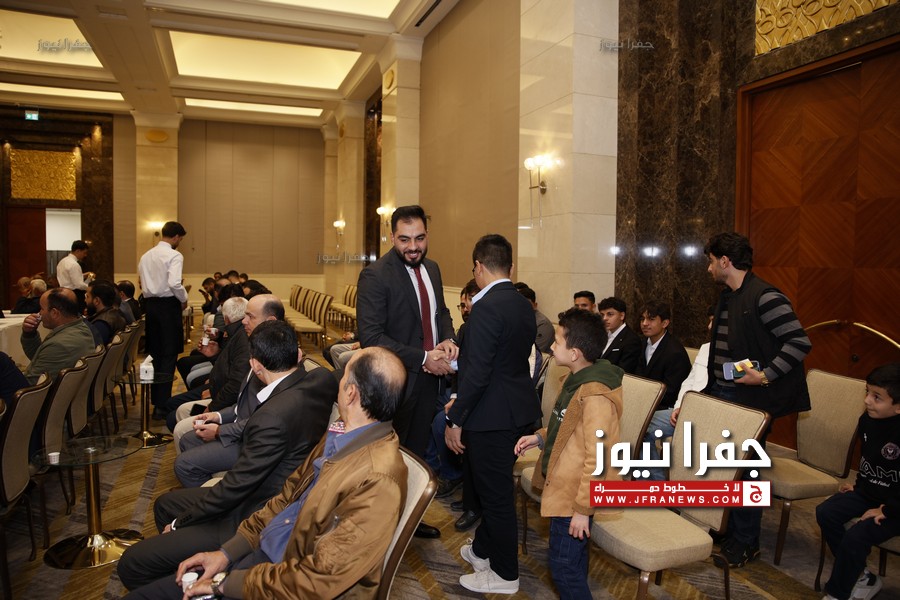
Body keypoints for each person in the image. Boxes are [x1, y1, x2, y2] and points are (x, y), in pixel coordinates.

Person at [123, 347, 408, 600]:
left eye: (343, 377)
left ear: (351, 393)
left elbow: (318, 579)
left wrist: (225, 583)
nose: (339, 383)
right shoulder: (341, 434)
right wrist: (227, 553)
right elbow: (286, 499)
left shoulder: (379, 479)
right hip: (262, 560)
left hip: (278, 580)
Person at [116, 320, 337, 591]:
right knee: (164, 504)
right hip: (272, 489)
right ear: (298, 354)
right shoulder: (322, 379)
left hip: (255, 510)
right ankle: (182, 572)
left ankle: (182, 584)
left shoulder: (271, 417)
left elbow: (236, 487)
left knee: (131, 563)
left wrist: (178, 524)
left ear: (255, 365)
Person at [704, 231, 812, 567]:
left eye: (711, 261)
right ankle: (728, 528)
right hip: (725, 393)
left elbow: (799, 343)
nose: (709, 268)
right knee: (726, 466)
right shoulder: (729, 296)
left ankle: (747, 541)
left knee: (747, 469)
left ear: (725, 261)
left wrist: (765, 375)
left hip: (754, 398)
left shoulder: (765, 297)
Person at [445, 234, 540, 594]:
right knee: (494, 490)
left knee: (496, 498)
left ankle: (505, 574)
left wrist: (456, 418)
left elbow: (480, 373)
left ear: (478, 267)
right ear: (510, 267)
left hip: (491, 416)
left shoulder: (485, 308)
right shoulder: (521, 304)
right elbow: (502, 361)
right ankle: (483, 550)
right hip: (517, 409)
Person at [356, 204, 457, 539]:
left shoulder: (434, 268)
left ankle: (407, 520)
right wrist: (425, 357)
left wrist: (448, 338)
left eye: (420, 238)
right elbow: (372, 337)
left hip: (429, 382)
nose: (413, 247)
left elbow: (441, 312)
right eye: (404, 239)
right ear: (391, 237)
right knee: (388, 459)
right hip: (394, 383)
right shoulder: (376, 275)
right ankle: (380, 528)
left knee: (415, 454)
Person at [514, 307, 624, 599]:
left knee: (563, 568)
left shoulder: (595, 395)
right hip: (565, 489)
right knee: (572, 564)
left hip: (575, 497)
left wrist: (583, 510)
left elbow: (600, 457)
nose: (552, 346)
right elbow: (566, 427)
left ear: (574, 353)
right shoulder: (576, 382)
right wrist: (540, 437)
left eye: (558, 341)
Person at [173, 295, 286, 485]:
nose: (243, 321)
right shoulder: (256, 344)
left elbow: (263, 418)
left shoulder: (276, 356)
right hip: (236, 419)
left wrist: (220, 429)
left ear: (270, 321)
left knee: (184, 462)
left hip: (250, 441)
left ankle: (207, 498)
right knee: (187, 438)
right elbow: (241, 400)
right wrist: (217, 415)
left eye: (250, 317)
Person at [818, 363, 900, 600]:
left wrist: (888, 510)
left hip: (896, 507)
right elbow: (868, 458)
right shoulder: (868, 420)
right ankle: (862, 576)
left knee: (857, 535)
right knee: (826, 512)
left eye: (877, 397)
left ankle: (837, 594)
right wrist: (859, 484)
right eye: (867, 392)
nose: (867, 400)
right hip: (870, 492)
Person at [161, 297, 250, 431]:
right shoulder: (238, 333)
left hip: (224, 400)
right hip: (218, 390)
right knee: (174, 409)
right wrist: (214, 355)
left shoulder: (244, 338)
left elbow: (236, 383)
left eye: (250, 317)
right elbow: (228, 368)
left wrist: (212, 404)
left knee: (173, 414)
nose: (245, 321)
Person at [635, 301, 691, 481]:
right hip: (647, 405)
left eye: (651, 319)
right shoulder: (642, 344)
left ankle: (655, 483)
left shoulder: (674, 351)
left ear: (665, 323)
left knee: (640, 428)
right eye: (642, 319)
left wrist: (644, 406)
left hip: (670, 408)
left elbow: (672, 391)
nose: (645, 323)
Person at [138, 221, 188, 409]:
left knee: (155, 354)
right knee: (169, 354)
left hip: (150, 307)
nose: (179, 242)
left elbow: (142, 283)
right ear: (176, 237)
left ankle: (155, 400)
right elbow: (174, 283)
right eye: (180, 239)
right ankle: (163, 404)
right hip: (168, 307)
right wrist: (184, 298)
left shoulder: (146, 256)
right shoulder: (175, 255)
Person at [20, 287, 96, 384]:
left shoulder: (59, 345)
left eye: (42, 309)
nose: (39, 313)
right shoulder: (81, 327)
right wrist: (29, 333)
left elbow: (31, 385)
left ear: (54, 313)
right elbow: (39, 357)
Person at [597, 296, 642, 374]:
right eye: (602, 315)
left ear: (622, 316)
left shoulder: (631, 340)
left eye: (610, 314)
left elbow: (623, 371)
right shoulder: (602, 335)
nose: (604, 318)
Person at [515, 283, 554, 354]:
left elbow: (534, 352)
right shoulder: (516, 319)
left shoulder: (543, 323)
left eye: (527, 304)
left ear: (535, 305)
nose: (524, 308)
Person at [85, 280, 127, 345]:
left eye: (87, 297)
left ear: (96, 301)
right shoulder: (115, 314)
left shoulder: (101, 324)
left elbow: (90, 348)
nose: (85, 300)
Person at [56, 240, 91, 312]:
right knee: (76, 315)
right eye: (84, 253)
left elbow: (68, 277)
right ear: (78, 251)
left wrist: (82, 276)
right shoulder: (74, 264)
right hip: (75, 294)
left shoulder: (62, 261)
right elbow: (79, 285)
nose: (85, 255)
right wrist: (90, 288)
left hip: (63, 292)